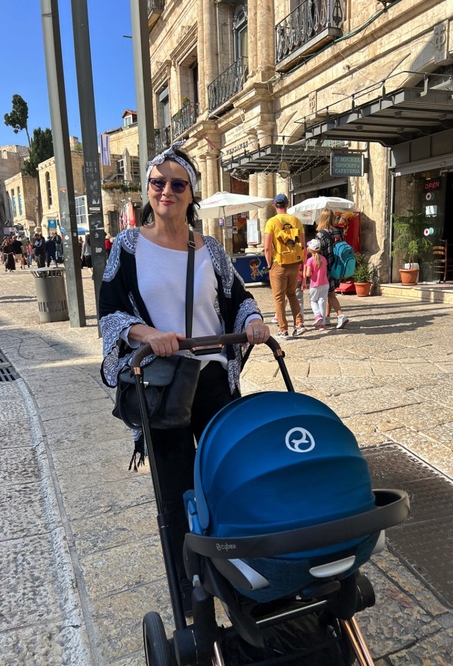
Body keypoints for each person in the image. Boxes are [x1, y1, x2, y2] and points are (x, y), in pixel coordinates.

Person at [98, 142, 270, 613]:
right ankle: (191, 595)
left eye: (178, 184)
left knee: (227, 481)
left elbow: (238, 298)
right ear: (147, 189)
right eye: (158, 183)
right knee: (175, 495)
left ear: (191, 192)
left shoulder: (210, 249)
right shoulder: (128, 248)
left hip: (213, 380)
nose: (166, 191)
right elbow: (110, 312)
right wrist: (149, 334)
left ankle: (240, 579)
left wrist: (254, 321)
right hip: (165, 385)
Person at [264, 193, 306, 339]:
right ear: (287, 205)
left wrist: (269, 265)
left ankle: (283, 329)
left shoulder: (271, 222)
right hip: (294, 263)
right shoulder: (296, 221)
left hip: (279, 263)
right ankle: (299, 324)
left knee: (279, 298)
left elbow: (267, 248)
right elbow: (303, 245)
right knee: (292, 294)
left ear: (274, 206)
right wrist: (302, 264)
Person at [316, 208, 349, 329]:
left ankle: (341, 315)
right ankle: (327, 316)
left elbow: (318, 252)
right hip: (337, 267)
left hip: (326, 268)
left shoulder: (320, 235)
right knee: (330, 292)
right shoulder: (338, 232)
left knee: (330, 294)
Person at [304, 238, 329, 329]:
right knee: (322, 302)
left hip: (315, 284)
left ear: (310, 249)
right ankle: (322, 324)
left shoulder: (310, 260)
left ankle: (317, 315)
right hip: (325, 283)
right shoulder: (324, 259)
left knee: (313, 301)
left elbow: (308, 274)